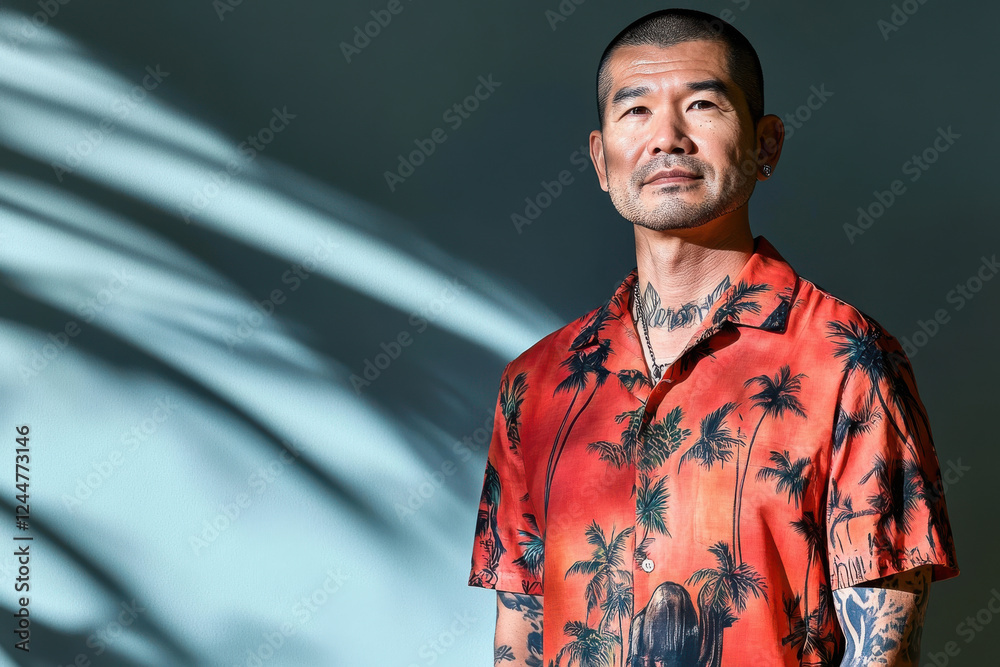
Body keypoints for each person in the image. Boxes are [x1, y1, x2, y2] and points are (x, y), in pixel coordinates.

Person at [467, 8, 959, 666]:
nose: (666, 137)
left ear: (767, 145)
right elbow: (519, 634)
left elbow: (884, 652)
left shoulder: (847, 361)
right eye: (635, 111)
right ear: (601, 160)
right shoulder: (534, 384)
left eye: (701, 104)